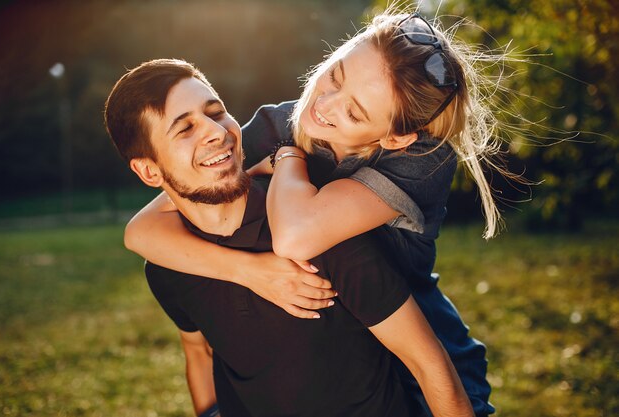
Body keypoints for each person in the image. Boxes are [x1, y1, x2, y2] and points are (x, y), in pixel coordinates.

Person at [125, 7, 504, 416]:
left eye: (355, 112)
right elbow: (143, 229)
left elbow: (296, 235)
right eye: (336, 75)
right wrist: (251, 272)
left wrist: (289, 154)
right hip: (339, 353)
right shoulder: (281, 121)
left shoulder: (421, 158)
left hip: (418, 359)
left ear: (395, 138)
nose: (325, 103)